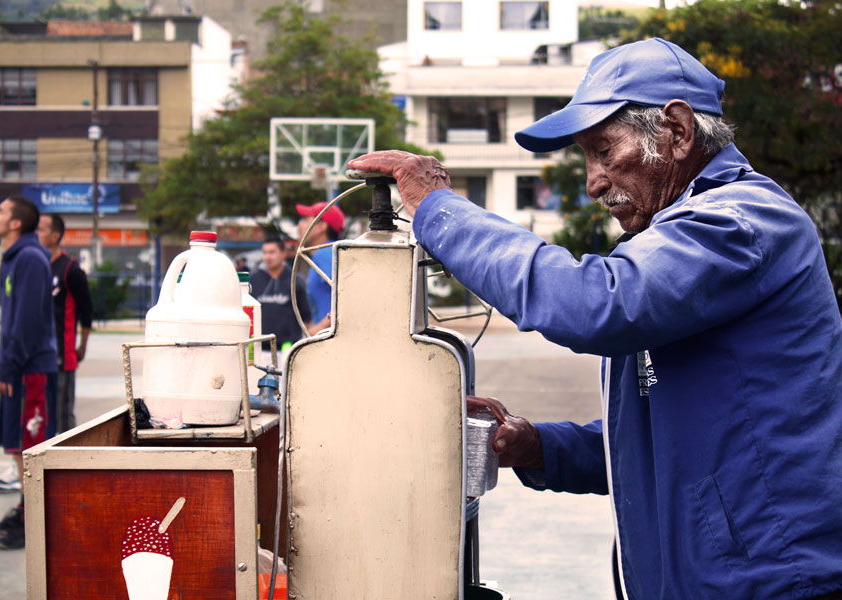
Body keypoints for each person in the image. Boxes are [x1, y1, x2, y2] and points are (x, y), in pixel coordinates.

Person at [349, 38, 842, 599]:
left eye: (604, 152)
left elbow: (595, 303)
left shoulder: (741, 221)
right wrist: (538, 447)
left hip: (772, 583)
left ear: (677, 133)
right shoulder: (677, 243)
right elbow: (664, 448)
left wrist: (440, 209)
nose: (593, 182)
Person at [0, 196, 58, 551]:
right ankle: (25, 508)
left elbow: (27, 322)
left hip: (32, 369)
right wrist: (1, 362)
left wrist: (8, 363)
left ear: (16, 223)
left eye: (0, 212)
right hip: (18, 365)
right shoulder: (15, 258)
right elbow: (10, 322)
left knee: (32, 446)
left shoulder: (29, 259)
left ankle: (36, 520)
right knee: (17, 442)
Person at [36, 213, 94, 436]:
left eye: (41, 229)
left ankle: (65, 462)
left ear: (55, 236)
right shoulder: (36, 267)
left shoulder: (70, 270)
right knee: (39, 413)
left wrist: (82, 344)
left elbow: (86, 309)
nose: (37, 234)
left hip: (62, 354)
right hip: (37, 356)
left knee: (62, 414)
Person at [250, 237, 313, 351]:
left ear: (284, 253)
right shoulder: (254, 279)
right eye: (265, 252)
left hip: (287, 348)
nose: (267, 257)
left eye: (272, 252)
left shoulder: (295, 280)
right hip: (258, 348)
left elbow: (307, 316)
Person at [295, 201, 344, 334]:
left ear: (321, 226)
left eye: (305, 220)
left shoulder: (325, 253)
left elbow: (349, 294)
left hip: (331, 338)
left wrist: (319, 328)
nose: (299, 225)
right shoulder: (329, 252)